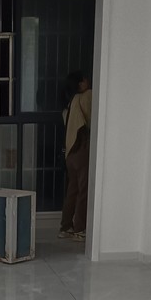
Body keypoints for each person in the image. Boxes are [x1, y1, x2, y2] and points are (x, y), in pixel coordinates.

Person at [58, 70, 92, 242]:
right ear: (80, 83)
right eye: (85, 80)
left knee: (72, 190)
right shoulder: (85, 97)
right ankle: (80, 228)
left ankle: (66, 227)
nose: (88, 82)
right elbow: (92, 119)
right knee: (83, 190)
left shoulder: (69, 104)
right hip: (81, 149)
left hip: (70, 152)